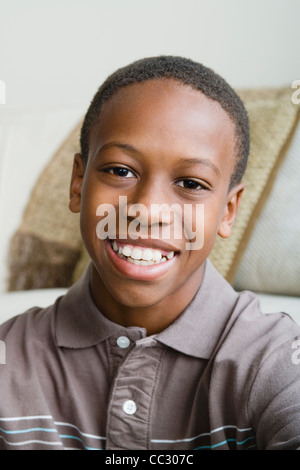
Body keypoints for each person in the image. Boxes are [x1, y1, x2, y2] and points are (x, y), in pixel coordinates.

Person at [0, 56, 299, 451]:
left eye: (191, 182)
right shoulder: (9, 360)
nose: (147, 210)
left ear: (228, 211)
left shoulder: (275, 361)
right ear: (77, 183)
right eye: (120, 171)